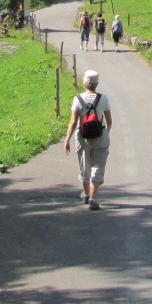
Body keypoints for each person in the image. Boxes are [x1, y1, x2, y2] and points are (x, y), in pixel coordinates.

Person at [63, 70, 112, 210]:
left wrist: (67, 140)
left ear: (85, 83)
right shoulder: (103, 98)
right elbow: (109, 121)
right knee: (98, 167)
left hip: (83, 137)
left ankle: (86, 194)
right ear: (97, 83)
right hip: (101, 136)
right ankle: (92, 198)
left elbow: (73, 122)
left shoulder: (77, 99)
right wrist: (105, 133)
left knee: (85, 167)